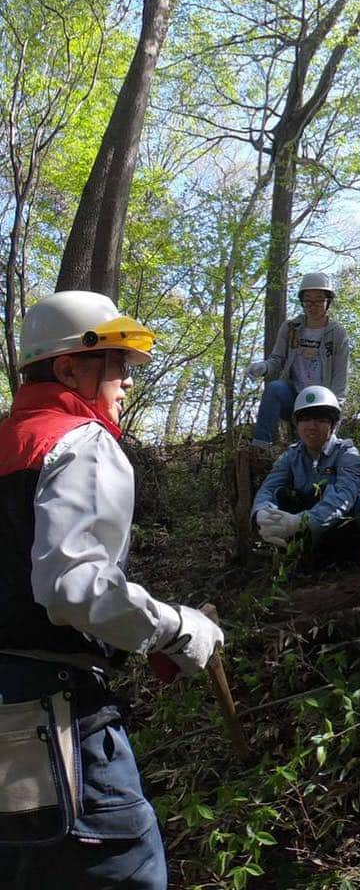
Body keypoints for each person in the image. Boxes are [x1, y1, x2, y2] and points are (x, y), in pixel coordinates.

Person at [0, 291, 223, 888]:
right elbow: (74, 588)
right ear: (71, 367)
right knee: (123, 874)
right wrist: (175, 626)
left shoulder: (9, 439)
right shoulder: (80, 442)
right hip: (52, 721)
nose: (126, 380)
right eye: (117, 364)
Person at [252, 385, 360, 564]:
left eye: (320, 420)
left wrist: (301, 522)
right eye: (305, 419)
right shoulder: (291, 455)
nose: (312, 426)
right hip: (307, 531)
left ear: (333, 424)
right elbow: (270, 487)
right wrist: (261, 514)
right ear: (297, 424)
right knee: (281, 493)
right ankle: (296, 555)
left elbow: (344, 497)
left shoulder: (348, 454)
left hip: (343, 530)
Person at [246, 272, 350, 451]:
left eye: (318, 300)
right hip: (294, 396)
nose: (313, 305)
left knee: (314, 449)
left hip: (322, 401)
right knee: (274, 389)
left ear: (328, 301)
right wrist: (262, 367)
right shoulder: (291, 328)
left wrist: (335, 409)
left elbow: (340, 375)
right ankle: (260, 448)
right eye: (308, 300)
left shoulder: (337, 333)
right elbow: (277, 360)